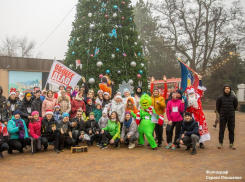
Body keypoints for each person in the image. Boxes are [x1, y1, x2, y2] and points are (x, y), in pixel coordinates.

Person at [186, 75, 210, 149]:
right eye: (190, 94)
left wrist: (199, 80)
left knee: (200, 128)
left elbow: (199, 87)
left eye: (192, 93)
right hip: (191, 116)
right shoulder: (187, 100)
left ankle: (201, 142)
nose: (191, 94)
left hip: (199, 116)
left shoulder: (197, 96)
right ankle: (190, 143)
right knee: (191, 129)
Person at [216, 85, 238, 149]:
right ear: (224, 89)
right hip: (223, 116)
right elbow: (218, 107)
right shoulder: (220, 98)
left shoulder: (234, 97)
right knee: (221, 130)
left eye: (228, 88)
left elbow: (235, 106)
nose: (227, 89)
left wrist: (231, 112)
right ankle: (220, 143)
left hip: (231, 116)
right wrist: (221, 113)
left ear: (230, 89)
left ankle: (231, 143)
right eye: (226, 88)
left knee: (231, 130)